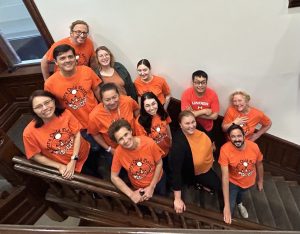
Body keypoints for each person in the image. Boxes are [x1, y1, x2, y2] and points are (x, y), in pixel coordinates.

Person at [23, 90, 100, 179]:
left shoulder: (66, 113)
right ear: (33, 111)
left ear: (54, 101)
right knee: (91, 180)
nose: (45, 108)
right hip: (67, 165)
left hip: (85, 152)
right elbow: (35, 156)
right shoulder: (29, 133)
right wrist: (59, 166)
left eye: (47, 102)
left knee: (97, 171)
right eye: (38, 107)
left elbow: (77, 134)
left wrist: (73, 159)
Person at [44, 44, 101, 150]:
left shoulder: (87, 71)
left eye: (70, 57)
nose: (67, 60)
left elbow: (97, 90)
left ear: (75, 58)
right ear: (56, 62)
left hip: (97, 120)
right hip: (78, 129)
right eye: (62, 58)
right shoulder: (50, 84)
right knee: (92, 151)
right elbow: (53, 109)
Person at [169, 110, 221, 214]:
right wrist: (178, 199)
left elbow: (205, 134)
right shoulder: (179, 145)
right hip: (195, 172)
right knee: (218, 186)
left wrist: (211, 145)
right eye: (187, 123)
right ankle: (197, 183)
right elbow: (176, 172)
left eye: (193, 122)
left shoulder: (196, 127)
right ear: (180, 125)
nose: (191, 126)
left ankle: (199, 184)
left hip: (206, 165)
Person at [108, 119, 166, 203]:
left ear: (131, 131)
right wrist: (131, 194)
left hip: (158, 181)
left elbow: (159, 163)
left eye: (126, 134)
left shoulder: (149, 143)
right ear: (117, 142)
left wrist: (152, 187)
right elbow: (114, 177)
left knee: (162, 203)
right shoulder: (118, 152)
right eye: (120, 139)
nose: (126, 140)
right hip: (138, 188)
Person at [219, 124, 264, 224]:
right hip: (233, 183)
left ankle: (239, 204)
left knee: (241, 194)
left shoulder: (254, 147)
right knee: (229, 209)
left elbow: (259, 165)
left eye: (239, 136)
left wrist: (260, 180)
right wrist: (226, 206)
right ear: (229, 138)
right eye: (233, 137)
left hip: (249, 182)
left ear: (244, 136)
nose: (237, 139)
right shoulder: (225, 150)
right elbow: (225, 177)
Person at [87, 83, 139, 157]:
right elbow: (95, 134)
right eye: (107, 100)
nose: (112, 102)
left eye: (114, 97)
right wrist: (109, 149)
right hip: (116, 149)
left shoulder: (128, 101)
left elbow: (136, 110)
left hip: (134, 141)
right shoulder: (94, 116)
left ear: (119, 95)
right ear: (101, 100)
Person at [135, 92, 172, 173]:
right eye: (147, 106)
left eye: (153, 104)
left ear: (157, 103)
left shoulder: (162, 112)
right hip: (154, 156)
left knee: (168, 168)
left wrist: (171, 140)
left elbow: (168, 125)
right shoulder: (139, 122)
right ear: (143, 107)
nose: (151, 108)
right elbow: (143, 144)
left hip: (166, 149)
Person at [181, 70, 220, 143]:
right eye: (197, 82)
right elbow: (185, 115)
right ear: (193, 82)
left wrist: (193, 113)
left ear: (206, 83)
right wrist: (204, 111)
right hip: (190, 127)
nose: (200, 85)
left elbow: (215, 116)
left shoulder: (212, 94)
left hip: (207, 128)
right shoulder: (187, 93)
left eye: (203, 82)